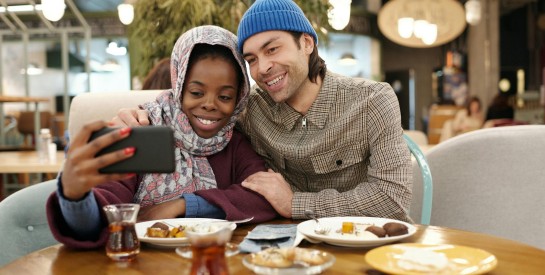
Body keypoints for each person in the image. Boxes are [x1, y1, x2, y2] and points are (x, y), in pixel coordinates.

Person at [113, 0, 413, 222]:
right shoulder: (248, 111)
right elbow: (191, 110)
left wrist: (295, 203)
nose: (263, 68)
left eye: (272, 50)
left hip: (373, 244)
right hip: (290, 247)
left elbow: (392, 199)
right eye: (252, 59)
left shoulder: (373, 100)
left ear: (306, 43)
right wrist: (140, 117)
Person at [46, 25, 277, 249]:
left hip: (208, 259)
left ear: (239, 99)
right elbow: (104, 213)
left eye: (225, 97)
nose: (209, 104)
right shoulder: (142, 130)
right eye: (196, 93)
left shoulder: (235, 143)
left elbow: (263, 198)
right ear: (178, 87)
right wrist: (75, 197)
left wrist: (182, 205)